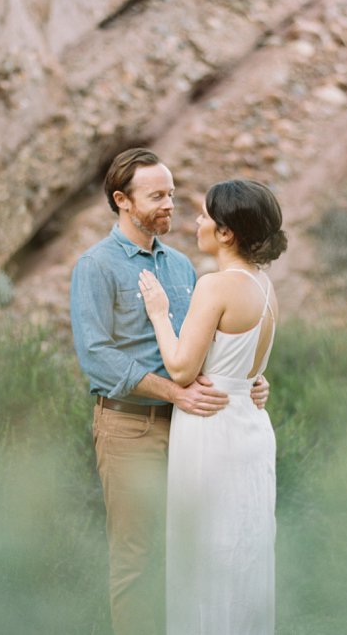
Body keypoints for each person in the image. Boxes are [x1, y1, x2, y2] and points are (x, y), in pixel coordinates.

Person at [70, 149, 269, 635]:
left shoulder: (183, 267)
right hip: (129, 427)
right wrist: (174, 392)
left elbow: (201, 344)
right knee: (137, 557)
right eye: (157, 196)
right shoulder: (95, 267)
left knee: (189, 550)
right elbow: (96, 355)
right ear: (122, 201)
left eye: (172, 194)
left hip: (193, 429)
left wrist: (245, 379)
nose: (170, 205)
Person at [137, 178, 287, 635]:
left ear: (226, 233)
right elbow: (247, 370)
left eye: (204, 216)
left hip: (211, 429)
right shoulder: (265, 287)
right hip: (250, 426)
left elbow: (182, 369)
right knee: (244, 548)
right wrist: (254, 383)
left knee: (205, 552)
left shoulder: (215, 286)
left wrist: (160, 314)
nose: (196, 222)